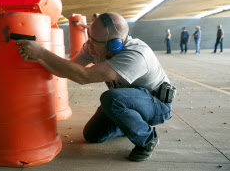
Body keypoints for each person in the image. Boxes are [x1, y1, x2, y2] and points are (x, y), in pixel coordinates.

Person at [17, 12, 174, 162]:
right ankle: (131, 125)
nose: (88, 44)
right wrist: (39, 59)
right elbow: (68, 70)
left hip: (156, 104)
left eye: (94, 42)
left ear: (115, 45)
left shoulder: (135, 55)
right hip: (130, 101)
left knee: (112, 99)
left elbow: (84, 76)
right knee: (92, 135)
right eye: (89, 38)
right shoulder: (94, 45)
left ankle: (148, 139)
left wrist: (42, 53)